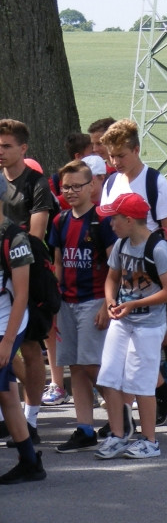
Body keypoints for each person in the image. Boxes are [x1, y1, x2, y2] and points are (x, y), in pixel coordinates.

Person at [94, 193, 167, 460]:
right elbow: (112, 278)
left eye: (114, 218)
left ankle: (150, 440)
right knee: (108, 377)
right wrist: (110, 302)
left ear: (129, 220)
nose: (110, 224)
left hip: (148, 325)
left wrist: (132, 305)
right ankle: (119, 436)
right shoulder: (121, 245)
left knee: (141, 383)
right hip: (123, 322)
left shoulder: (158, 248)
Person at [48, 160, 116, 453]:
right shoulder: (60, 221)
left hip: (94, 300)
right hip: (67, 302)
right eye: (67, 187)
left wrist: (107, 304)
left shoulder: (102, 221)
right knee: (75, 366)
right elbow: (59, 262)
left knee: (92, 364)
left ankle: (119, 418)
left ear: (91, 186)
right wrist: (54, 301)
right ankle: (85, 428)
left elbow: (117, 265)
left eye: (78, 186)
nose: (72, 191)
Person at [0, 118, 58, 444]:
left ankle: (31, 419)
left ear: (23, 148)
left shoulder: (37, 184)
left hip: (28, 275)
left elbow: (35, 236)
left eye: (7, 145)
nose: (1, 151)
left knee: (32, 348)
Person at [0, 175, 46, 483]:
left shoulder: (13, 239)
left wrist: (6, 343)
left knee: (3, 385)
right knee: (5, 390)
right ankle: (30, 461)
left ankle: (30, 461)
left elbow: (22, 296)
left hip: (7, 321)